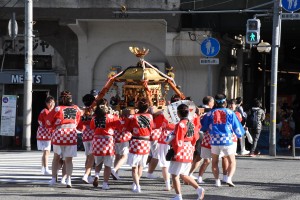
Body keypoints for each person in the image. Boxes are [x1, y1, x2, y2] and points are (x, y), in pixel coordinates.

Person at [201, 94, 245, 187]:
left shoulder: (210, 113)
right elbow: (236, 126)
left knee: (215, 162)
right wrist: (240, 134)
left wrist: (207, 129)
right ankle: (228, 178)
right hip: (227, 139)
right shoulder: (230, 113)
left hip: (214, 140)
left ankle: (217, 181)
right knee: (232, 161)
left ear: (215, 102)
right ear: (225, 102)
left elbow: (204, 127)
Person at [46, 91, 82, 188]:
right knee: (69, 160)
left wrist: (53, 127)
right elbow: (79, 123)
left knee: (56, 157)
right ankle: (68, 179)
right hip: (71, 134)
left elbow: (48, 121)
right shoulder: (76, 109)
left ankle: (54, 179)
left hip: (59, 134)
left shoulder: (58, 108)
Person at [169, 104, 205, 200]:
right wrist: (192, 146)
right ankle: (199, 189)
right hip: (189, 147)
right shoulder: (191, 123)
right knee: (183, 174)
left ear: (178, 113)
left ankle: (178, 195)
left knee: (175, 174)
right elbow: (195, 137)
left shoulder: (180, 124)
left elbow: (178, 140)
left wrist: (177, 151)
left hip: (181, 148)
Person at [127, 98, 154, 193]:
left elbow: (128, 128)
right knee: (141, 165)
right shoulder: (150, 116)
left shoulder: (133, 117)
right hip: (146, 142)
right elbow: (152, 128)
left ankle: (137, 185)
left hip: (136, 141)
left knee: (134, 166)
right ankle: (136, 183)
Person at [90, 101, 119, 190]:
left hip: (97, 141)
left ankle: (97, 175)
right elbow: (118, 125)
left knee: (98, 162)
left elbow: (92, 128)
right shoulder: (111, 117)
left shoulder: (94, 118)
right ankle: (105, 183)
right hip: (107, 141)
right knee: (108, 164)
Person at [77, 94, 95, 184]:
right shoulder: (94, 111)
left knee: (87, 156)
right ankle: (87, 175)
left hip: (85, 135)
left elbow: (79, 126)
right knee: (91, 157)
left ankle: (89, 175)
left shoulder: (82, 111)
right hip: (93, 135)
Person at [111, 108, 133, 180]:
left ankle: (115, 174)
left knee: (117, 156)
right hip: (124, 139)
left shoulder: (117, 119)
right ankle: (114, 170)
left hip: (116, 138)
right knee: (124, 156)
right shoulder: (128, 120)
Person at [197, 96, 214, 184]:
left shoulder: (198, 109)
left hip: (199, 134)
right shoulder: (210, 112)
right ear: (209, 102)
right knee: (204, 159)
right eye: (213, 102)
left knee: (200, 157)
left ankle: (195, 175)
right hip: (205, 136)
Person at [36, 95, 55, 175]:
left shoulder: (44, 111)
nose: (52, 104)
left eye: (53, 102)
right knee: (46, 151)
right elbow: (49, 121)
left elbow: (40, 121)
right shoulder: (46, 111)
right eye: (50, 102)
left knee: (45, 152)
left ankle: (43, 168)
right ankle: (46, 168)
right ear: (47, 103)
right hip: (45, 132)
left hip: (43, 132)